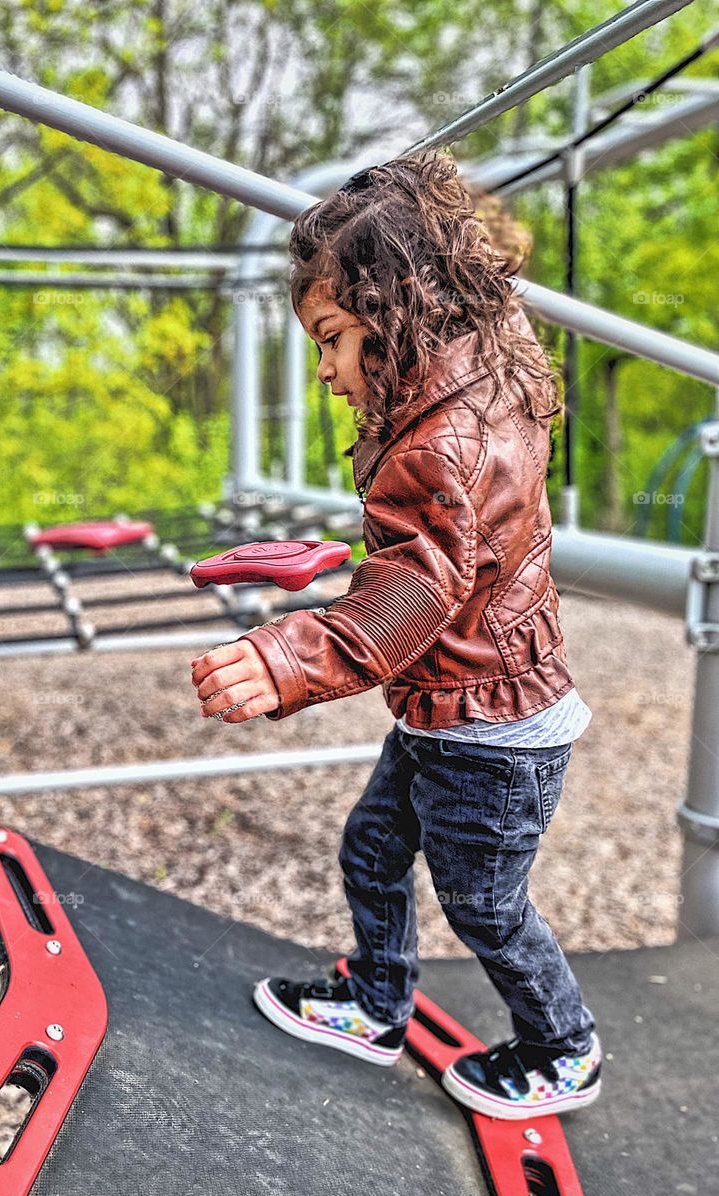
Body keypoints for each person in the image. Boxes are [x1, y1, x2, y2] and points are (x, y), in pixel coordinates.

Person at [190, 150, 602, 1120]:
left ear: (400, 310)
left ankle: (564, 1044)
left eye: (332, 337)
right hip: (452, 706)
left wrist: (282, 655)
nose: (327, 369)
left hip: (489, 731)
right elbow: (445, 550)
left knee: (487, 905)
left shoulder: (441, 440)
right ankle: (377, 1003)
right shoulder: (480, 374)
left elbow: (418, 584)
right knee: (373, 848)